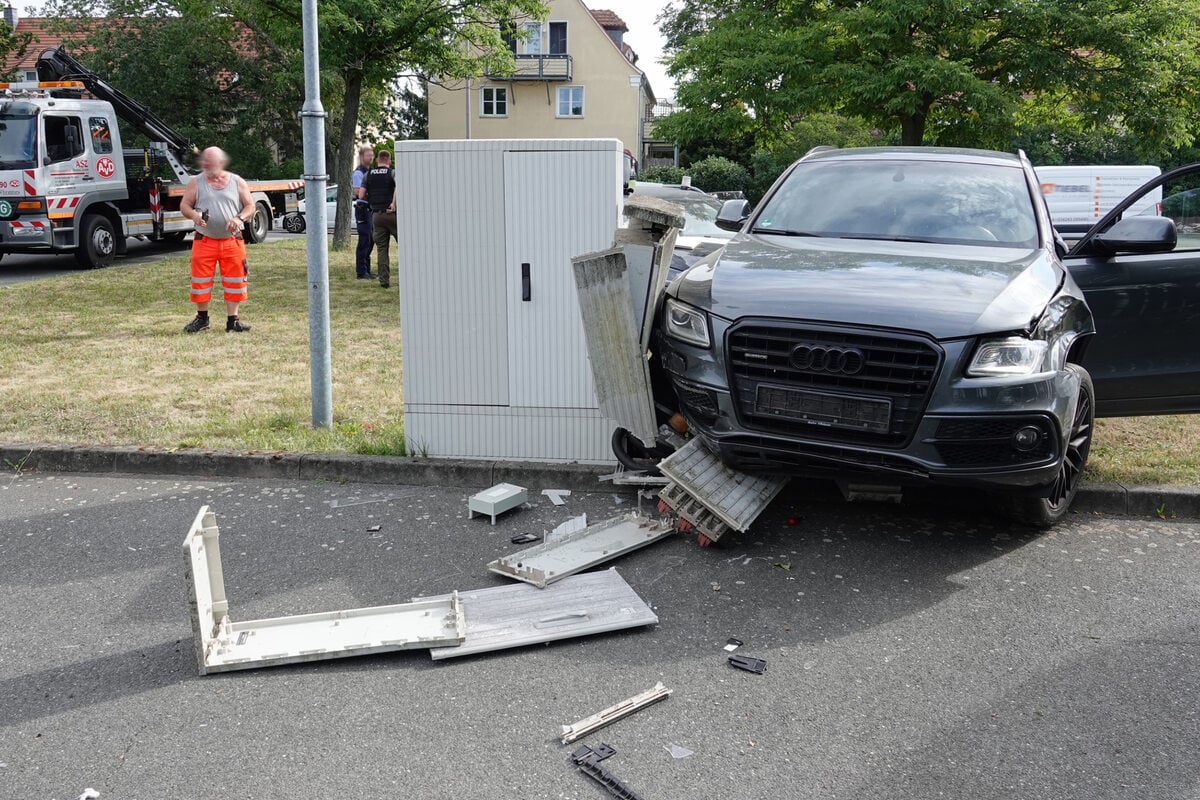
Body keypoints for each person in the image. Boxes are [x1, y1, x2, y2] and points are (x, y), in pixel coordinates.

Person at [180, 147, 255, 333]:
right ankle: (202, 319)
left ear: (220, 163)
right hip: (204, 241)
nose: (205, 166)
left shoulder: (237, 182)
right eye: (204, 162)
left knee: (236, 281)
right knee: (200, 281)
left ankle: (233, 321)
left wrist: (239, 219)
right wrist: (195, 216)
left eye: (209, 163)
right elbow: (184, 205)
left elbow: (250, 206)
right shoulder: (196, 182)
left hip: (232, 241)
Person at [360, 149, 397, 289]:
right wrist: (393, 204)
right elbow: (399, 187)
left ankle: (384, 281)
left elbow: (361, 195)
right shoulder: (393, 173)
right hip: (393, 214)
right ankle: (409, 277)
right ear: (389, 161)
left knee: (382, 249)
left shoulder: (368, 174)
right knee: (405, 247)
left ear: (377, 161)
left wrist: (373, 199)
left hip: (377, 215)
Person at [350, 145, 375, 279]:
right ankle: (361, 271)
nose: (371, 157)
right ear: (361, 157)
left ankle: (367, 269)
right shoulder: (359, 173)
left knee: (371, 240)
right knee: (364, 240)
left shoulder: (371, 171)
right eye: (368, 155)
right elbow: (358, 192)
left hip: (370, 209)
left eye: (372, 155)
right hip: (363, 209)